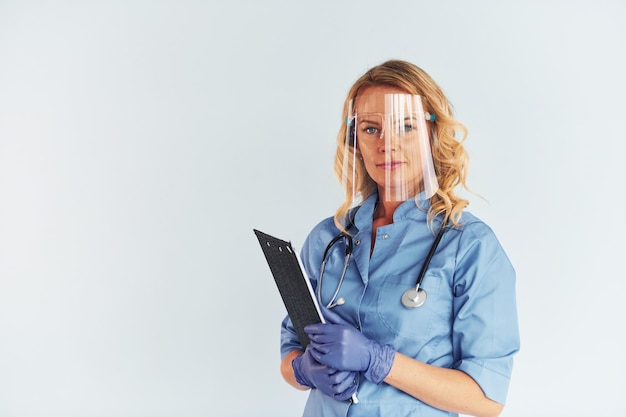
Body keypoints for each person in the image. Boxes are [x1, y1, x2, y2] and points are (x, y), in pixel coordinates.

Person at [279, 59, 520, 417]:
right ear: (355, 139)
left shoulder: (470, 246)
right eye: (371, 129)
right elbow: (291, 351)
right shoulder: (328, 238)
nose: (386, 144)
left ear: (432, 134)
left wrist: (380, 360)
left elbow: (486, 400)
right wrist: (303, 370)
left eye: (406, 127)